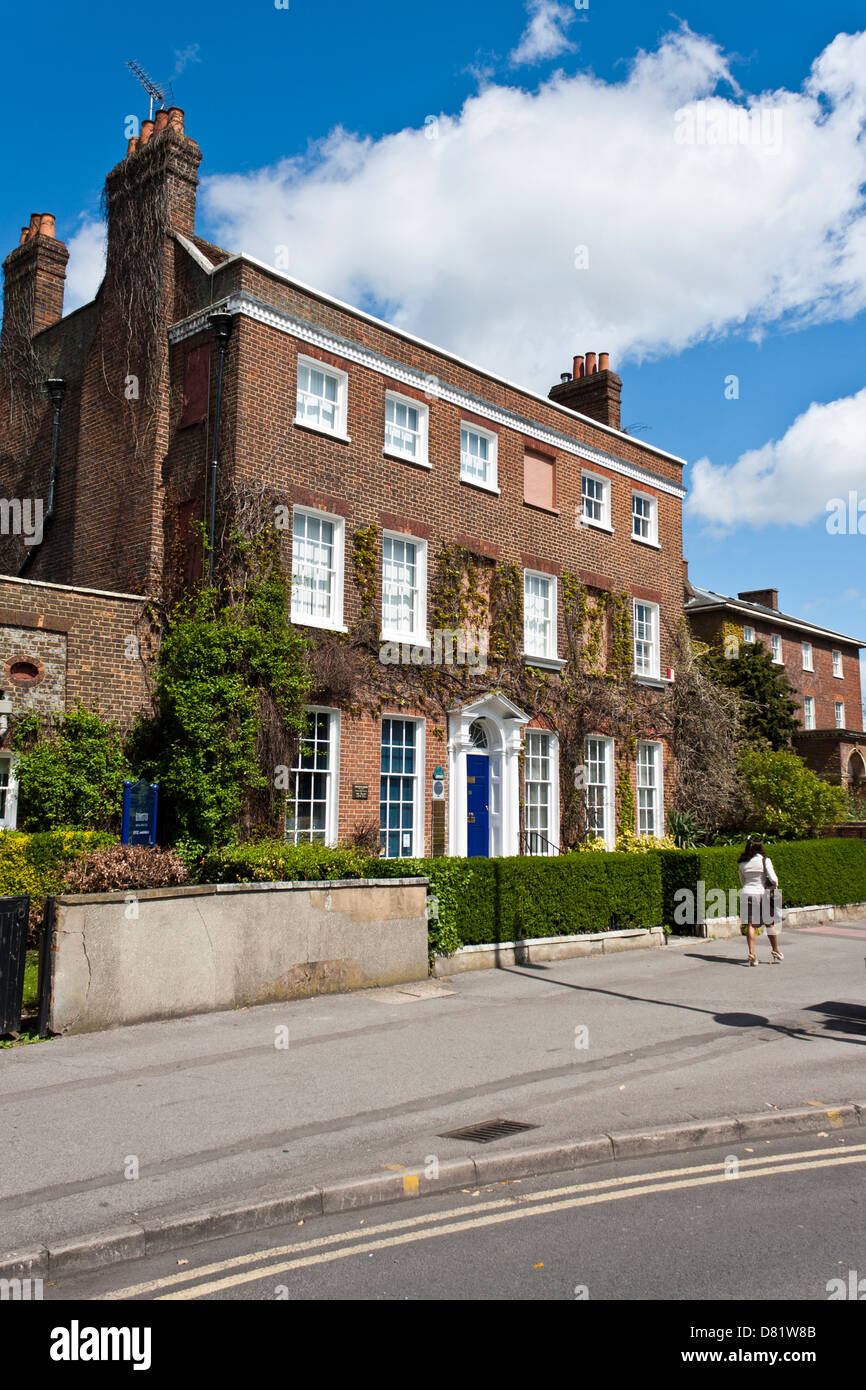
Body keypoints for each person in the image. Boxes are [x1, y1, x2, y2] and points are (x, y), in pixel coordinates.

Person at [738, 837, 783, 966]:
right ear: (760, 848)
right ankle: (775, 950)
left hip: (747, 893)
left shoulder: (742, 863)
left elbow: (742, 881)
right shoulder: (765, 861)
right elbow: (774, 879)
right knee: (769, 924)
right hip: (762, 893)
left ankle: (751, 954)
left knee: (751, 924)